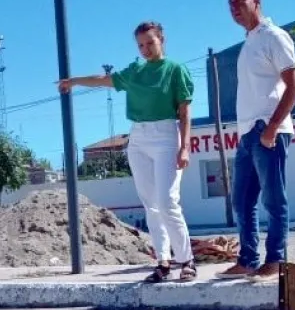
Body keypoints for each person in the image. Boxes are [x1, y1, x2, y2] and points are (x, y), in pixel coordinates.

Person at [58, 21, 197, 282]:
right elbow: (105, 80)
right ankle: (163, 262)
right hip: (138, 138)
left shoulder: (175, 70)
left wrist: (185, 147)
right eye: (140, 45)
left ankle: (187, 259)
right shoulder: (135, 71)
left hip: (166, 134)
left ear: (162, 40)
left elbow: (184, 111)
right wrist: (74, 81)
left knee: (167, 200)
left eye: (150, 43)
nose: (145, 49)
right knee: (151, 204)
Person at [217, 0, 295, 282]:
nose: (235, 9)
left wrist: (271, 129)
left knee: (274, 199)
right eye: (230, 4)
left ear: (257, 1)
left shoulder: (274, 37)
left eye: (241, 2)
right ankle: (248, 259)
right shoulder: (249, 41)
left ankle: (276, 259)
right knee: (241, 201)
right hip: (247, 134)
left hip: (269, 131)